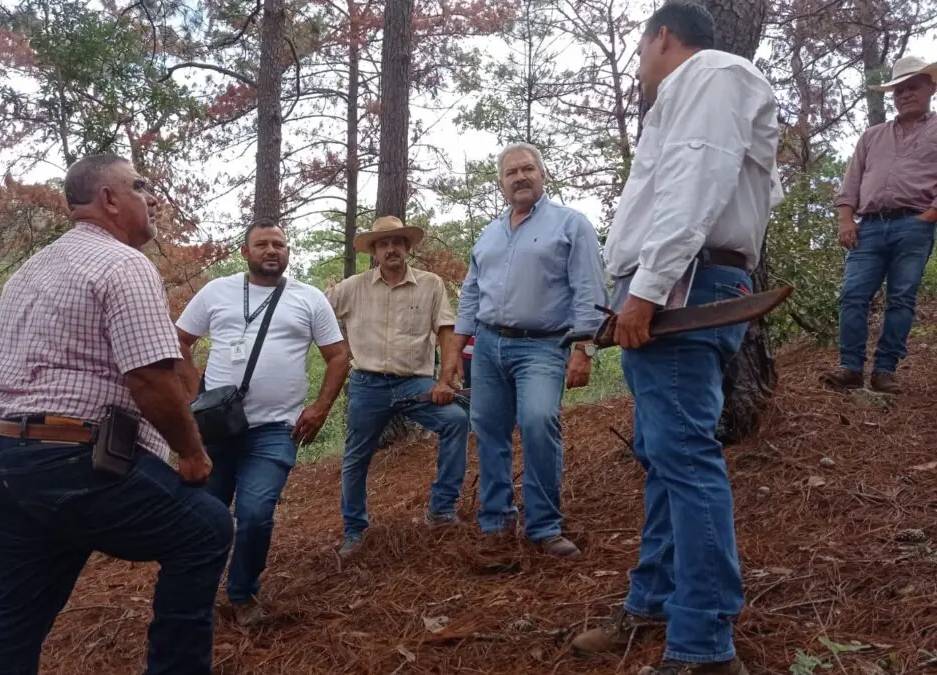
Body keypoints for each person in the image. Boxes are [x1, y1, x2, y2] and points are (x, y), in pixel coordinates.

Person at [571, 4, 782, 674]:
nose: (638, 64)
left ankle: (704, 643)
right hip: (681, 282)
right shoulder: (703, 91)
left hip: (682, 286)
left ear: (663, 36)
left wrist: (648, 287)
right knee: (666, 452)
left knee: (684, 457)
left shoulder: (712, 74)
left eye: (639, 49)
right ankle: (654, 600)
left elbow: (697, 181)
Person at [0, 154, 233, 675]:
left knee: (20, 609)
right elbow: (150, 380)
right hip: (70, 461)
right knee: (207, 528)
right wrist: (193, 454)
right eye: (139, 186)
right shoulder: (123, 264)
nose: (152, 196)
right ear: (109, 200)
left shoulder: (29, 270)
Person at [176, 218, 350, 625]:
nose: (272, 251)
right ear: (245, 252)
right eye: (262, 244)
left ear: (288, 252)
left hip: (275, 429)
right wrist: (193, 396)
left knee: (255, 513)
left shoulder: (308, 299)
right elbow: (178, 340)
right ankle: (195, 599)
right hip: (215, 428)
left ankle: (242, 595)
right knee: (205, 512)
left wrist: (320, 408)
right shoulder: (216, 292)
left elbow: (338, 355)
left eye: (279, 245)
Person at [452, 142, 607, 558]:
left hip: (542, 346)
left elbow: (590, 291)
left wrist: (585, 349)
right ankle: (496, 522)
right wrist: (454, 353)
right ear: (501, 184)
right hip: (486, 346)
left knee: (539, 423)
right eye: (510, 173)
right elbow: (470, 294)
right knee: (488, 429)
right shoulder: (489, 233)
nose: (519, 177)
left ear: (543, 174)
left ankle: (544, 526)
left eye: (527, 169)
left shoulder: (571, 225)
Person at [326, 216, 469, 556]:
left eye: (397, 242)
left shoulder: (431, 285)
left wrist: (445, 378)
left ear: (406, 248)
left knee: (457, 422)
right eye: (382, 244)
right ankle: (354, 530)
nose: (390, 249)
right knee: (356, 456)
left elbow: (447, 330)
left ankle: (442, 509)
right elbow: (317, 313)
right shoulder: (352, 288)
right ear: (373, 251)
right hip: (367, 384)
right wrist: (336, 351)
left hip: (414, 383)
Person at [820, 55, 937, 394]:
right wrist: (846, 219)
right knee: (852, 296)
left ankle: (885, 371)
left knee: (901, 299)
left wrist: (930, 214)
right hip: (868, 226)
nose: (904, 95)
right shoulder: (871, 136)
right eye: (898, 90)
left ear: (930, 88)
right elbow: (852, 179)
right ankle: (851, 367)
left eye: (911, 87)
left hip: (914, 226)